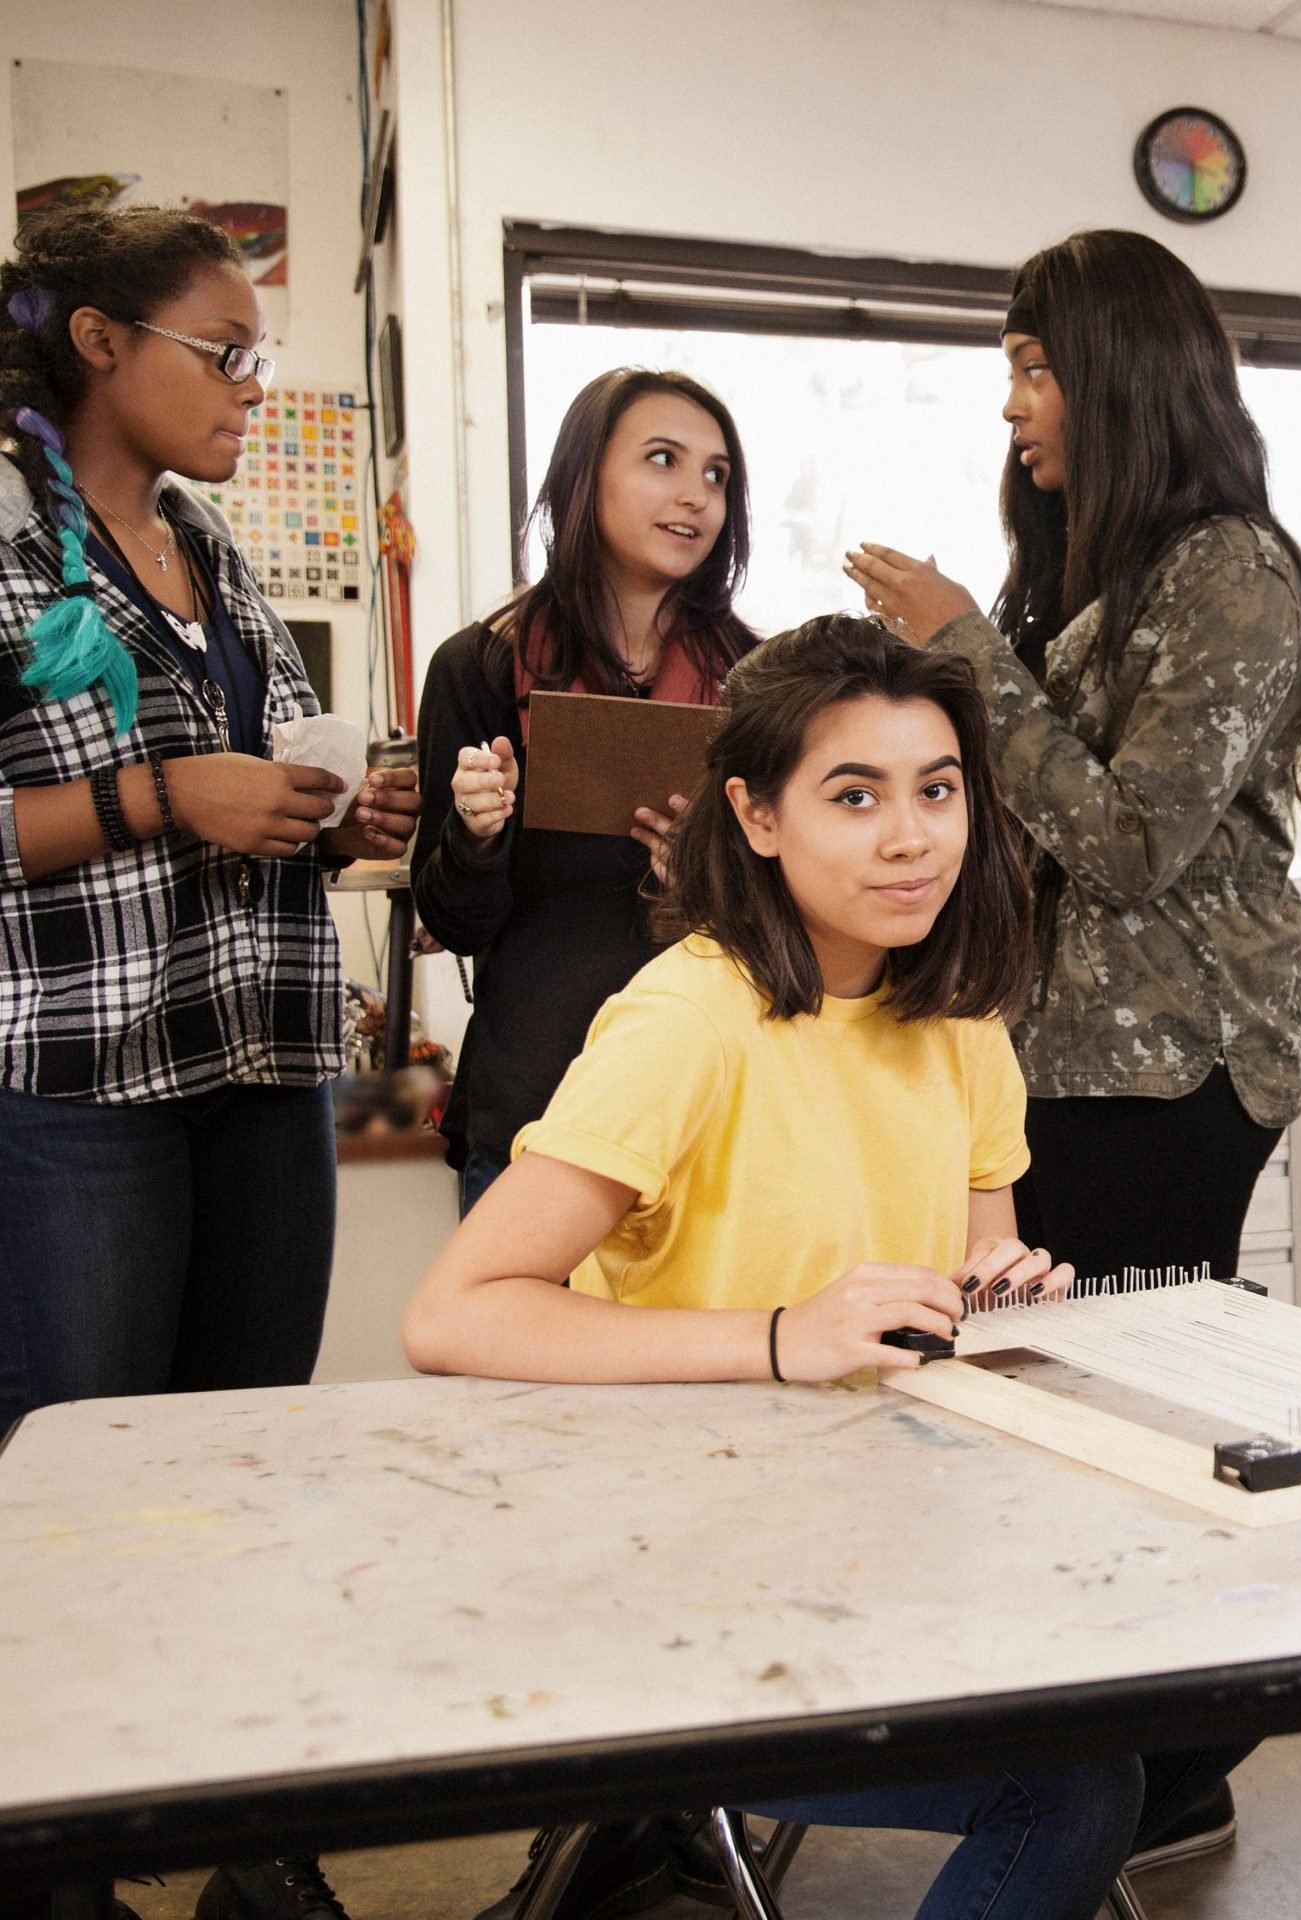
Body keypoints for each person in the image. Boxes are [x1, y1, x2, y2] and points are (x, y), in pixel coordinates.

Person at [404, 617, 1240, 1920]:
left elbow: (964, 1282)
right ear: (755, 815)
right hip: (694, 1579)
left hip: (890, 1543)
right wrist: (783, 1336)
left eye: (939, 789)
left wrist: (999, 1298)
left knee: (1221, 1662)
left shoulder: (957, 1021)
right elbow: (455, 1314)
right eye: (854, 796)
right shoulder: (690, 1019)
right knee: (1074, 1790)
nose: (911, 836)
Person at [0, 205, 420, 1920]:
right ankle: (54, 1873)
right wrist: (168, 795)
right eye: (225, 353)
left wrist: (333, 820)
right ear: (105, 346)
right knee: (75, 1504)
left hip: (259, 1066)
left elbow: (240, 786)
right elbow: (144, 798)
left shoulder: (211, 552)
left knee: (246, 1482)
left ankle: (259, 1851)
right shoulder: (8, 541)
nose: (257, 386)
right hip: (83, 1091)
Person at [844, 227, 1301, 1300]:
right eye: (1010, 373)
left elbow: (1132, 843)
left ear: (1118, 378)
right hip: (1055, 1059)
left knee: (1133, 1380)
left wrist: (962, 643)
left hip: (1168, 1069)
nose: (1013, 405)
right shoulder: (1097, 578)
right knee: (1049, 1369)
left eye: (1034, 369)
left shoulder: (1233, 571)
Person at [414, 368, 757, 1214]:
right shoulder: (482, 664)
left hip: (708, 1113)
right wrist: (477, 833)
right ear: (583, 475)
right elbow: (457, 922)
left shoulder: (759, 679)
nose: (696, 496)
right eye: (664, 460)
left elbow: (807, 909)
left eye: (716, 475)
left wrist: (714, 882)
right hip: (538, 1107)